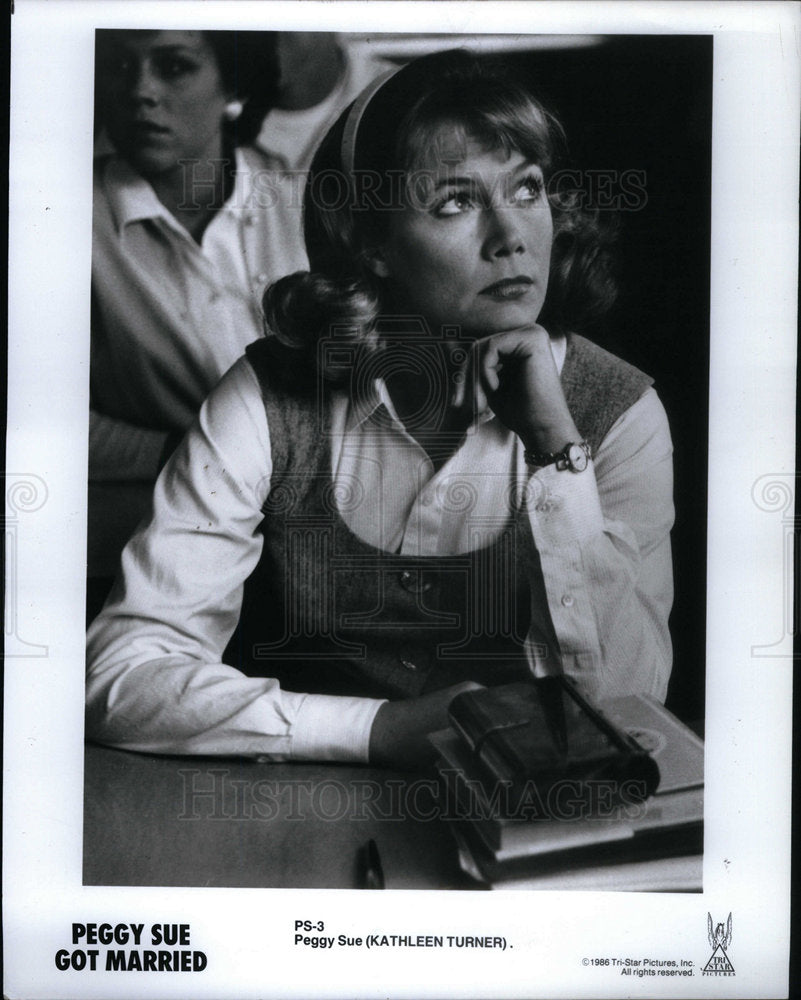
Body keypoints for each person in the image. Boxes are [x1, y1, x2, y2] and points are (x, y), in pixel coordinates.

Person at [86, 50, 674, 771]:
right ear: (370, 241)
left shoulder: (618, 413)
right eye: (455, 202)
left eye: (525, 190)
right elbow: (121, 673)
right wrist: (379, 728)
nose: (511, 235)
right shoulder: (271, 396)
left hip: (537, 823)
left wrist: (557, 450)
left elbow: (627, 710)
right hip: (306, 813)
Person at [89, 29, 308, 595]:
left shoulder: (307, 203)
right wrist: (192, 450)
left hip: (314, 545)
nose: (140, 91)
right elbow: (38, 421)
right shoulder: (60, 219)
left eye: (174, 66)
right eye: (117, 66)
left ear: (232, 81)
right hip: (152, 552)